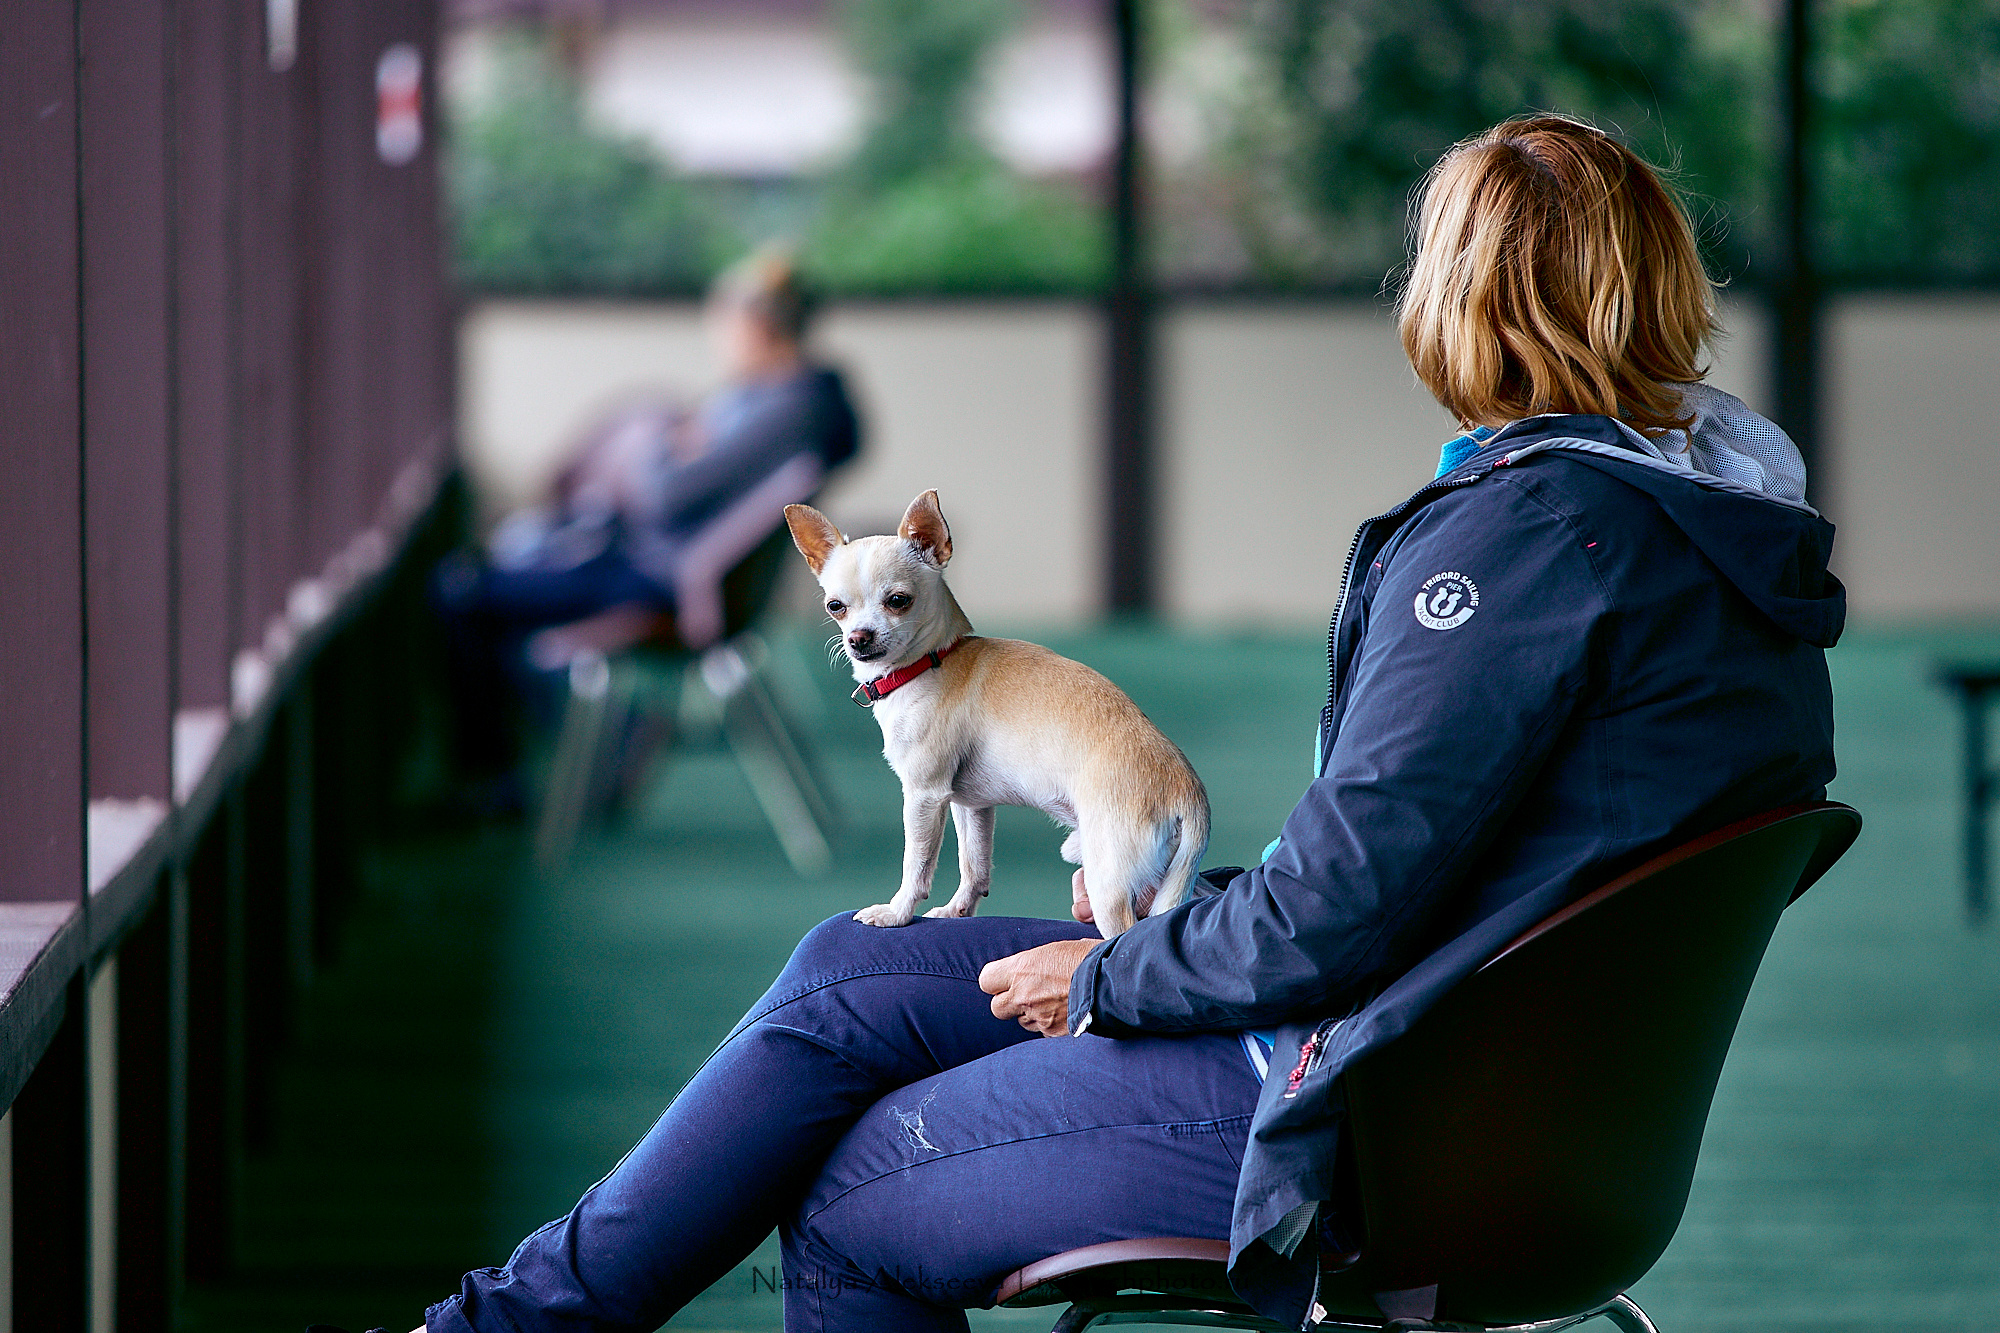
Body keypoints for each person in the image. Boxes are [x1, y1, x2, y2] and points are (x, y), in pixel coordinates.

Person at [381, 115, 1840, 1333]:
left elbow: (1336, 913)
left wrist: (1115, 971)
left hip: (1360, 1111)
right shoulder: (1723, 535)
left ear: (1465, 295)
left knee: (853, 1195)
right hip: (1504, 1101)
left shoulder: (1522, 550)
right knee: (845, 971)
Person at [432, 248, 861, 793]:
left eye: (724, 325)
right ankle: (591, 739)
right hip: (662, 565)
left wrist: (660, 442)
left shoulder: (786, 407)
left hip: (663, 580)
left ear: (756, 326)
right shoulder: (784, 399)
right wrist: (680, 443)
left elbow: (663, 497)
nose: (720, 340)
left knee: (462, 592)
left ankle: (506, 775)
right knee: (502, 576)